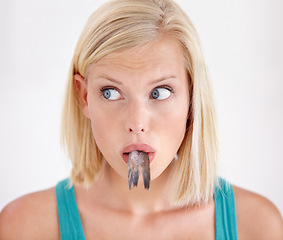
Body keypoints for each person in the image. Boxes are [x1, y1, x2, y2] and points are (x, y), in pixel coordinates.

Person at [0, 0, 282, 239]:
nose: (136, 123)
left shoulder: (257, 226)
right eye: (111, 93)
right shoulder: (25, 226)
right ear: (84, 97)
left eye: (159, 92)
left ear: (193, 98)